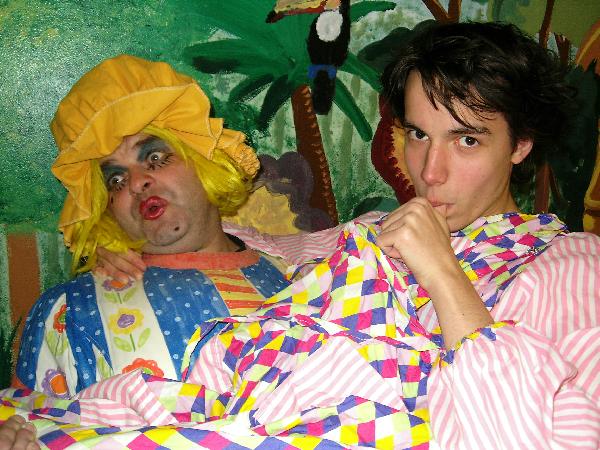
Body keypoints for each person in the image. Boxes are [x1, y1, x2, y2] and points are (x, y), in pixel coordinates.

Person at [2, 21, 599, 449]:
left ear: (521, 145)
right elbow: (251, 248)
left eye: (466, 139)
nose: (430, 172)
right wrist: (125, 238)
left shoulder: (572, 266)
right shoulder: (368, 234)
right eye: (419, 134)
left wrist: (443, 273)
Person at [12, 54, 293, 398]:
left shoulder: (296, 267)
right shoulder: (68, 310)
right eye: (115, 179)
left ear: (204, 162)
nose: (135, 183)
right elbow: (28, 421)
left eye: (155, 158)